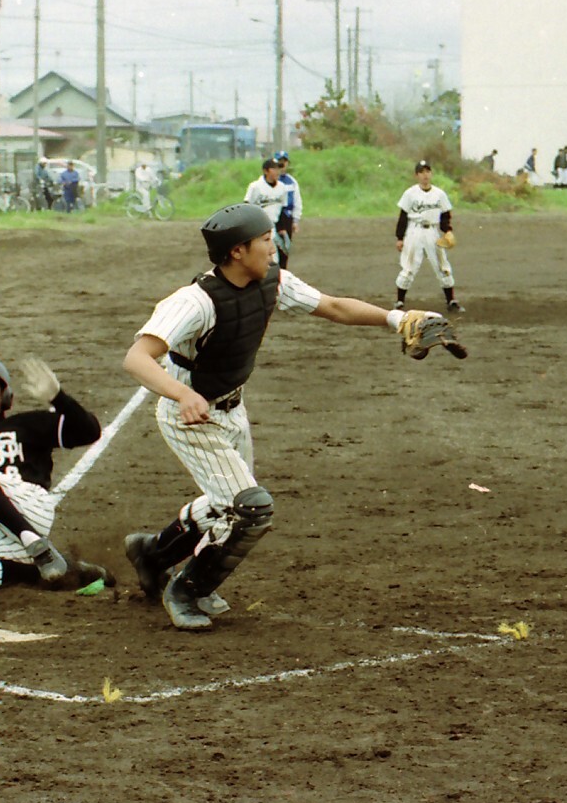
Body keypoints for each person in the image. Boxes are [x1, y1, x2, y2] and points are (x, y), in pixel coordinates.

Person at [120, 203, 453, 630]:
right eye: (264, 240)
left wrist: (397, 318)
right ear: (238, 251)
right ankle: (187, 590)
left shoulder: (272, 283)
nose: (274, 247)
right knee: (250, 510)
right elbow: (138, 358)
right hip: (189, 419)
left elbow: (333, 306)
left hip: (231, 411)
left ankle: (152, 553)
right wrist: (182, 393)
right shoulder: (194, 301)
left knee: (230, 505)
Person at [0, 356, 108, 590]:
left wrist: (59, 398)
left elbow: (89, 432)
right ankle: (66, 571)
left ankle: (34, 541)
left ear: (5, 397)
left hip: (29, 506)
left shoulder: (28, 424)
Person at [393, 159, 463, 313]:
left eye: (427, 171)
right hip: (414, 232)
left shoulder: (439, 194)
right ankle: (399, 301)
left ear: (431, 174)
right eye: (421, 172)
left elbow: (445, 215)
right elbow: (403, 217)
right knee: (409, 267)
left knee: (442, 265)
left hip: (432, 231)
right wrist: (400, 238)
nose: (425, 175)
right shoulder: (410, 193)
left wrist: (448, 231)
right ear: (417, 175)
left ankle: (451, 300)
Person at [242, 157, 286, 261]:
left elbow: (283, 209)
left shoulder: (282, 187)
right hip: (258, 227)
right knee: (266, 257)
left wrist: (283, 228)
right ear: (266, 171)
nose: (277, 171)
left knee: (279, 256)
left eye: (279, 168)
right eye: (274, 169)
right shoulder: (255, 187)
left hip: (273, 226)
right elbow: (247, 207)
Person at [273, 152, 301, 268]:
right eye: (280, 161)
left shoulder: (291, 182)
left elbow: (297, 201)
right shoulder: (270, 181)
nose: (282, 164)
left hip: (287, 217)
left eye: (284, 162)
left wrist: (296, 220)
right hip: (274, 217)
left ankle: (282, 273)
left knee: (285, 249)